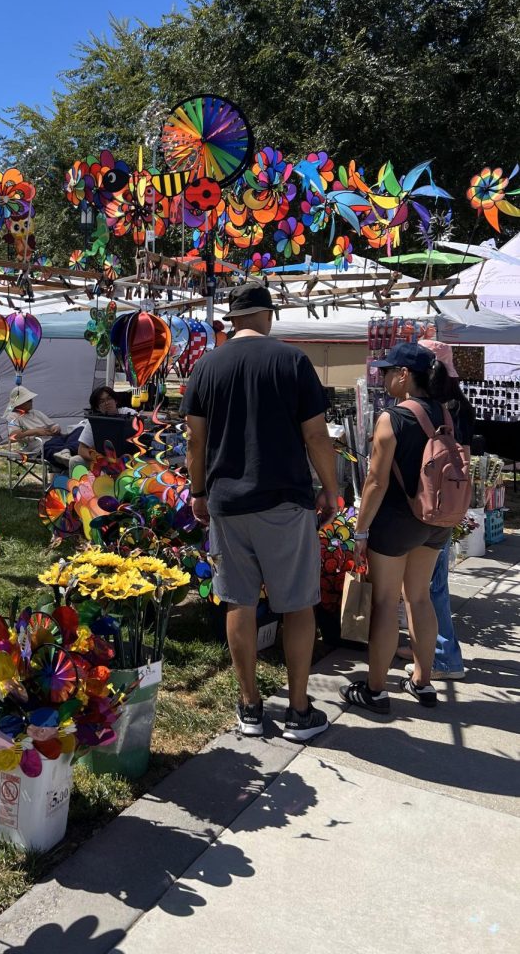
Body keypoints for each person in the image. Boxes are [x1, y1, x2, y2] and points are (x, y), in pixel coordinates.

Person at [183, 279, 338, 742]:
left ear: (233, 320)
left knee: (240, 602)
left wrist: (197, 492)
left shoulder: (206, 366)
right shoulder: (292, 361)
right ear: (268, 315)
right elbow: (316, 435)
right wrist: (330, 489)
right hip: (284, 500)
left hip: (228, 503)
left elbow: (195, 439)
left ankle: (249, 707)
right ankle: (297, 709)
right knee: (298, 605)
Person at [339, 342, 473, 714]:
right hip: (436, 520)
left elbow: (375, 483)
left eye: (386, 372)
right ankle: (422, 682)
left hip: (396, 522)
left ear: (404, 375)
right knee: (419, 598)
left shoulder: (393, 418)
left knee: (385, 602)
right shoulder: (447, 413)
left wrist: (360, 531)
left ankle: (376, 689)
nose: (382, 378)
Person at [399, 338, 472, 681]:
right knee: (429, 586)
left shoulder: (440, 408)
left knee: (431, 589)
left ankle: (444, 656)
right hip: (446, 507)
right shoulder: (456, 405)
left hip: (430, 507)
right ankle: (426, 648)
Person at [3, 386, 81, 466]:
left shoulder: (36, 413)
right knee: (53, 445)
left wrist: (55, 428)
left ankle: (66, 451)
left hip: (55, 440)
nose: (31, 402)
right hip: (40, 446)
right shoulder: (13, 416)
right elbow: (13, 435)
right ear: (20, 403)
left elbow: (53, 425)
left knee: (80, 430)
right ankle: (67, 451)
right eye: (29, 400)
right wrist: (36, 431)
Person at [77, 385, 138, 467]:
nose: (106, 403)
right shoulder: (94, 421)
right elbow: (81, 449)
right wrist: (101, 459)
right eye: (101, 401)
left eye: (109, 398)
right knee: (75, 460)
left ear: (115, 400)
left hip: (129, 459)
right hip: (103, 461)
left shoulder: (129, 414)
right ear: (97, 407)